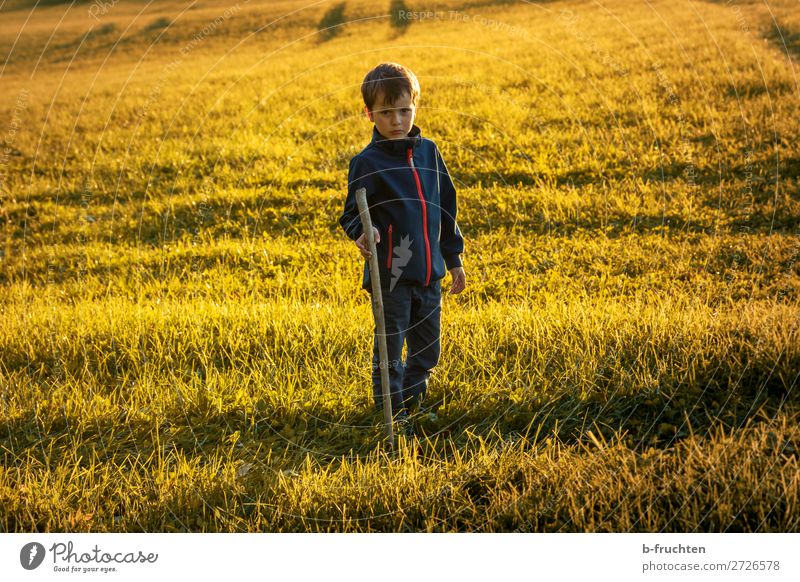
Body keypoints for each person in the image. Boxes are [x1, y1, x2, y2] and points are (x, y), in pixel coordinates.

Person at [338, 62, 466, 437]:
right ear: (369, 114)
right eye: (386, 112)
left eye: (404, 110)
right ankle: (391, 415)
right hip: (391, 277)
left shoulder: (429, 152)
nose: (397, 120)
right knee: (390, 353)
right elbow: (351, 213)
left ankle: (413, 400)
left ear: (415, 107)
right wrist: (363, 231)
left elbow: (446, 206)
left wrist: (453, 258)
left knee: (427, 351)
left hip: (430, 273)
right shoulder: (367, 163)